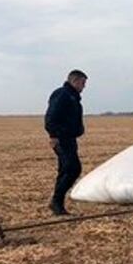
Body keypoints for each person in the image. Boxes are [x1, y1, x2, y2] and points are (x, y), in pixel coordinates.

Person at [44, 69, 87, 215]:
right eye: (82, 83)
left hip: (69, 138)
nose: (84, 86)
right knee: (73, 169)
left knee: (64, 171)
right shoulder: (63, 94)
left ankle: (57, 205)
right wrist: (53, 135)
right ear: (74, 81)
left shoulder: (72, 97)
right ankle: (56, 201)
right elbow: (51, 117)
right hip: (61, 139)